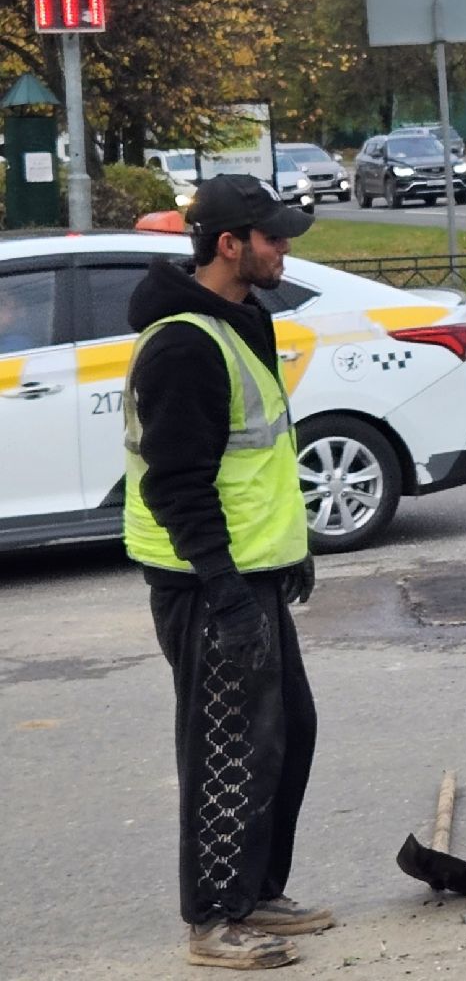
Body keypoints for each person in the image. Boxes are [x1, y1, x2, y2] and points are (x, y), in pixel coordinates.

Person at [124, 175, 328, 970]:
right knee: (229, 749)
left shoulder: (245, 318)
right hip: (205, 581)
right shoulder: (182, 344)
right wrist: (223, 588)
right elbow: (175, 481)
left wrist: (291, 549)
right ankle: (212, 919)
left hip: (256, 570)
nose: (284, 250)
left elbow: (260, 452)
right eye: (273, 238)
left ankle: (259, 892)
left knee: (288, 736)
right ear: (228, 245)